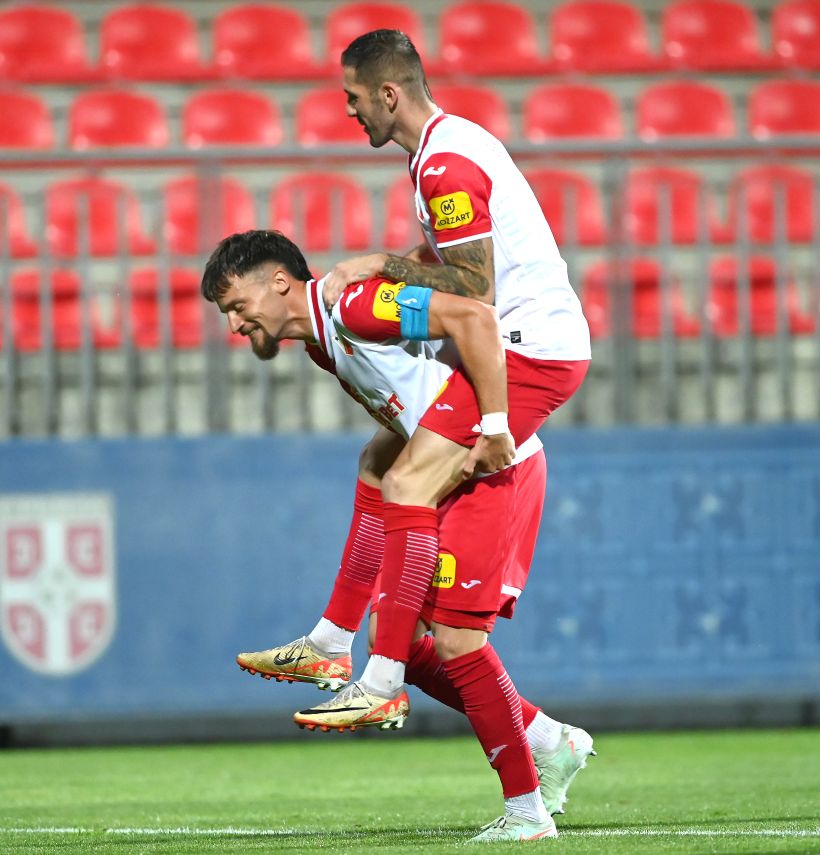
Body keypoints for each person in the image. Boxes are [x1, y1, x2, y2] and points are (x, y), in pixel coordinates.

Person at [203, 230, 593, 842]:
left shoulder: (354, 308)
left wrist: (495, 425)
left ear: (278, 282)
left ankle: (526, 813)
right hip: (450, 473)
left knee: (457, 643)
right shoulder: (325, 345)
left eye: (236, 305)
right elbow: (412, 411)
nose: (233, 324)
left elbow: (472, 317)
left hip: (492, 470)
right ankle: (546, 740)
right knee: (404, 633)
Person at [284, 29, 593, 735]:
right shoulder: (443, 148)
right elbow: (460, 262)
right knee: (385, 465)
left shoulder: (446, 165)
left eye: (355, 98)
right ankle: (347, 647)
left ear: (389, 94)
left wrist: (381, 264)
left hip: (528, 349)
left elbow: (475, 287)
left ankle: (380, 680)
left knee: (406, 481)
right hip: (522, 344)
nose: (350, 111)